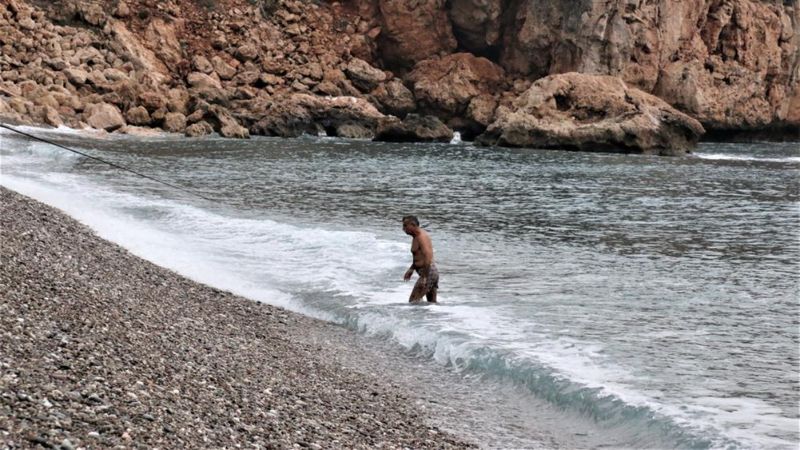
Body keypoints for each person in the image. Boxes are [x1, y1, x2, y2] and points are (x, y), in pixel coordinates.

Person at [402, 215, 439, 303]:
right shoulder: (416, 236)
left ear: (413, 225)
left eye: (405, 226)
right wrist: (411, 269)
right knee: (432, 304)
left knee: (413, 302)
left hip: (428, 273)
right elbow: (418, 256)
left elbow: (428, 257)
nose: (403, 229)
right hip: (430, 273)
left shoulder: (421, 237)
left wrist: (424, 277)